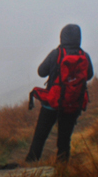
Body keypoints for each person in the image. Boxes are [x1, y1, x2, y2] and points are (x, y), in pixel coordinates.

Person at [25, 24, 94, 163]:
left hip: (52, 103)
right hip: (72, 103)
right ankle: (62, 169)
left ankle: (30, 165)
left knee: (40, 136)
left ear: (62, 37)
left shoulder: (56, 54)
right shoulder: (84, 56)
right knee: (64, 139)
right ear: (79, 38)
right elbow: (89, 75)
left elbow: (41, 72)